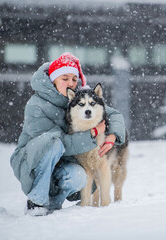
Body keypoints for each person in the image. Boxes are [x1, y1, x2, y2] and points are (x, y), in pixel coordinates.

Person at [10, 52, 126, 216]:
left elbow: (114, 115)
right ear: (53, 79)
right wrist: (93, 133)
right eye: (64, 78)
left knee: (79, 176)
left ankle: (53, 205)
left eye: (74, 79)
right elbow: (59, 143)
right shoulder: (36, 105)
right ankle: (37, 202)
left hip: (61, 161)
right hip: (32, 161)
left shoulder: (77, 98)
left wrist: (113, 135)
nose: (70, 83)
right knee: (54, 142)